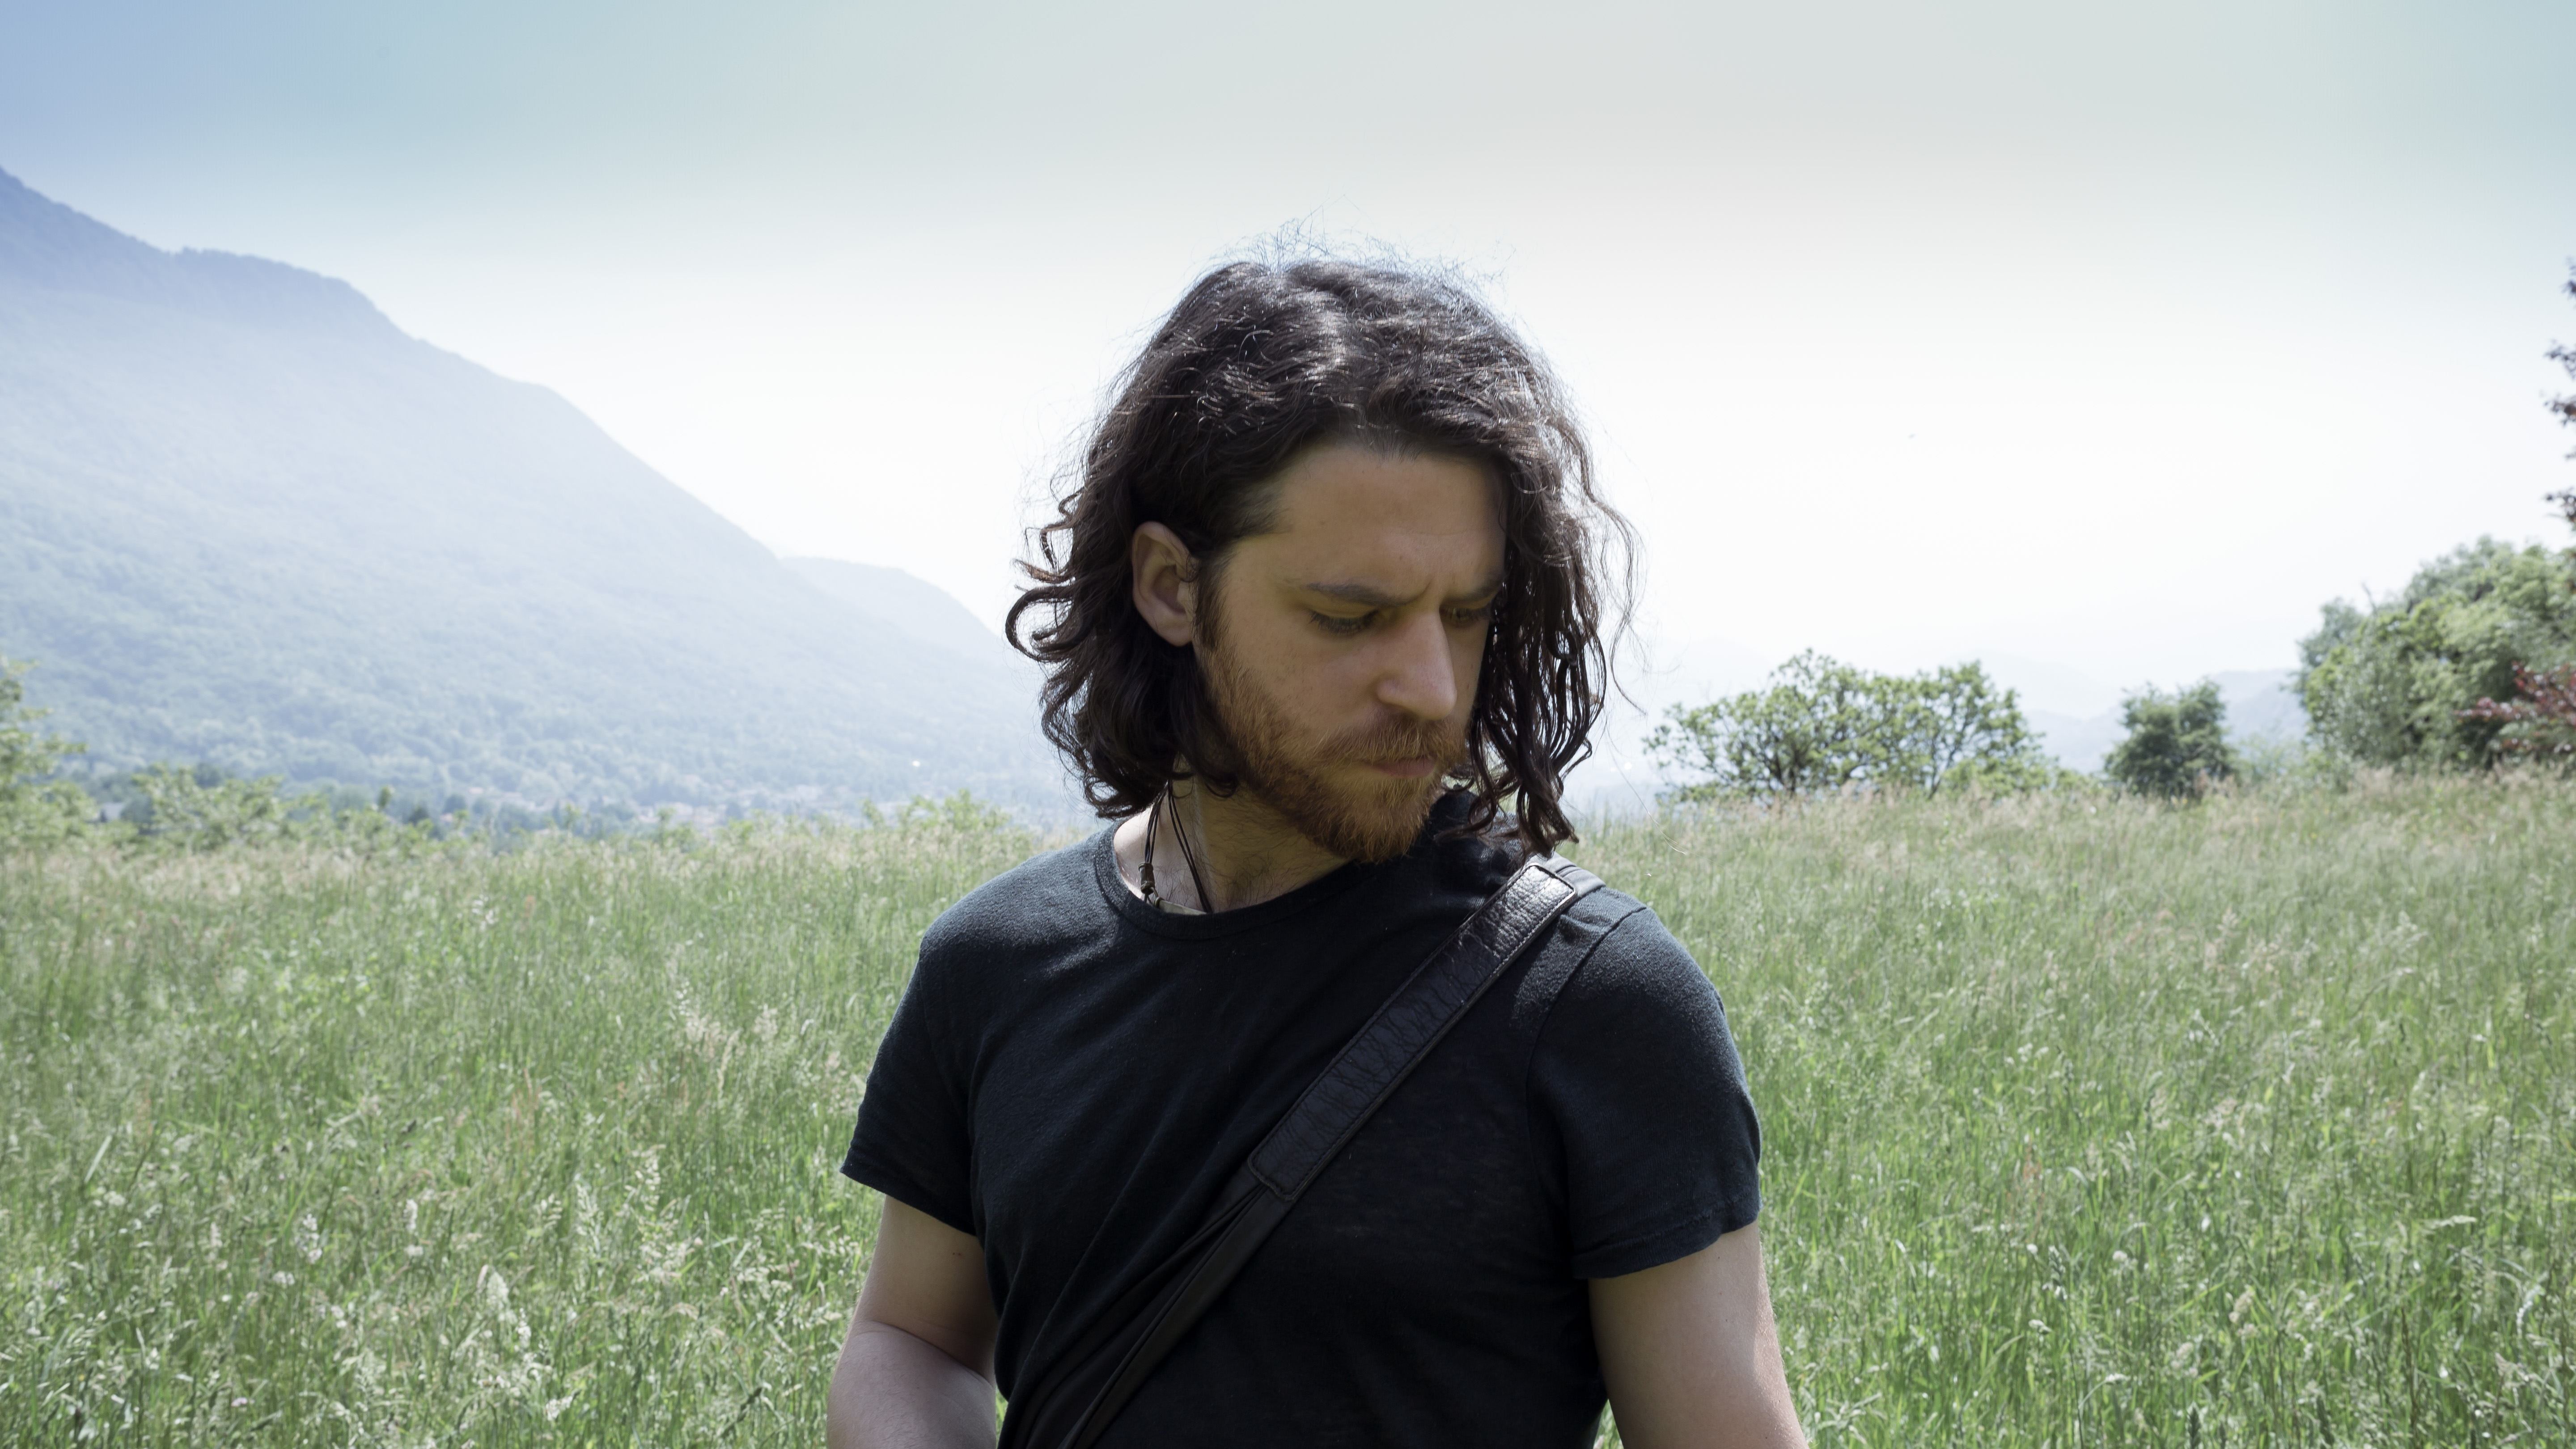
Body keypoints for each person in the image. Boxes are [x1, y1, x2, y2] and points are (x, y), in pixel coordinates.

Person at [826, 254, 1804, 1449]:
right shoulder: (992, 964)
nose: (1431, 687)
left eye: (1466, 613)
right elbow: (914, 1338)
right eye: (1351, 618)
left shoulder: (1600, 1001)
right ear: (1171, 586)